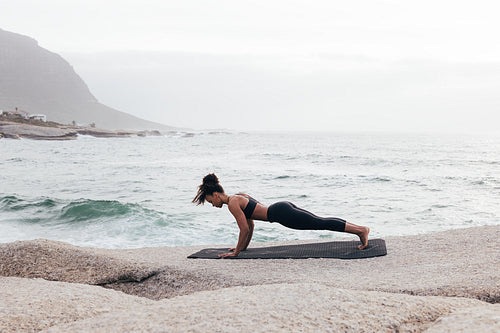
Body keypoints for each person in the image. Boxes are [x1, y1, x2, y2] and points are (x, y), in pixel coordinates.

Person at [193, 173, 370, 258]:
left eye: (210, 201)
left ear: (216, 195)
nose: (213, 205)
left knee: (319, 223)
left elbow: (244, 228)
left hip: (280, 213)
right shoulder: (239, 196)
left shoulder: (232, 203)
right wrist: (243, 248)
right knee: (319, 221)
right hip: (281, 207)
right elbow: (251, 226)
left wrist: (236, 252)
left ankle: (361, 230)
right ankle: (360, 229)